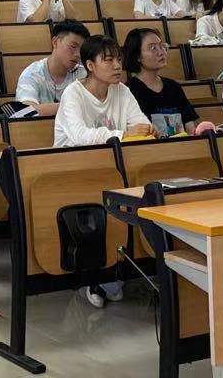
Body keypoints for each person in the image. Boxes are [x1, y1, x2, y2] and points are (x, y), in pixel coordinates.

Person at [55, 35, 151, 306]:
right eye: (108, 60)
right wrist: (124, 134)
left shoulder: (122, 90)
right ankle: (97, 276)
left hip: (113, 165)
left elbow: (141, 124)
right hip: (74, 168)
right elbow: (79, 136)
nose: (117, 65)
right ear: (90, 65)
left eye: (118, 59)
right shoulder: (73, 93)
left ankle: (120, 272)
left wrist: (144, 130)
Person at [122, 28, 207, 136]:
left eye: (162, 46)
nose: (161, 52)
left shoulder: (174, 87)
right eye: (153, 48)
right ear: (137, 56)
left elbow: (190, 126)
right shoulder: (129, 90)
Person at [14, 19, 88, 116]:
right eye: (73, 46)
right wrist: (71, 106)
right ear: (55, 42)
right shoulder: (32, 74)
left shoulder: (83, 73)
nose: (78, 54)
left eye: (81, 50)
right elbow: (25, 112)